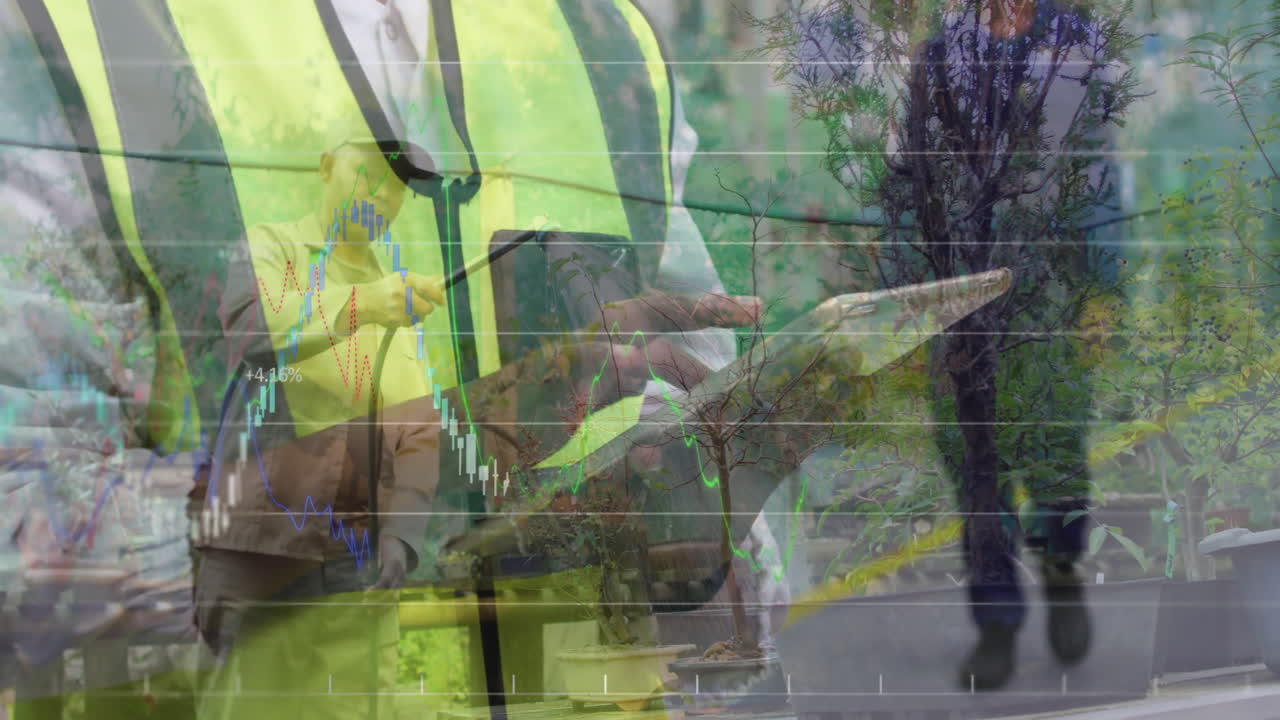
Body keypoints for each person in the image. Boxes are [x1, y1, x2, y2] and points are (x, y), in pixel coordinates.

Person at [1, 0, 783, 715]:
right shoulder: (68, 40)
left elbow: (719, 523)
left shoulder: (603, 35)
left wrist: (700, 545)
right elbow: (20, 552)